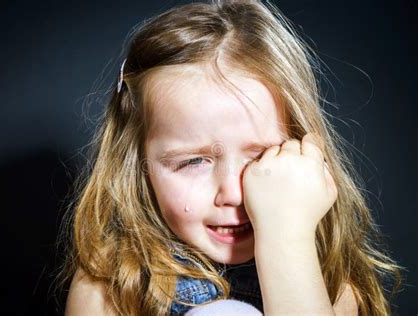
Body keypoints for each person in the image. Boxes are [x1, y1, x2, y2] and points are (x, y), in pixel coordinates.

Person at [56, 0, 404, 315]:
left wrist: (287, 238)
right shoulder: (108, 292)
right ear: (139, 166)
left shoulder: (332, 285)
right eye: (193, 162)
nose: (234, 194)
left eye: (262, 158)